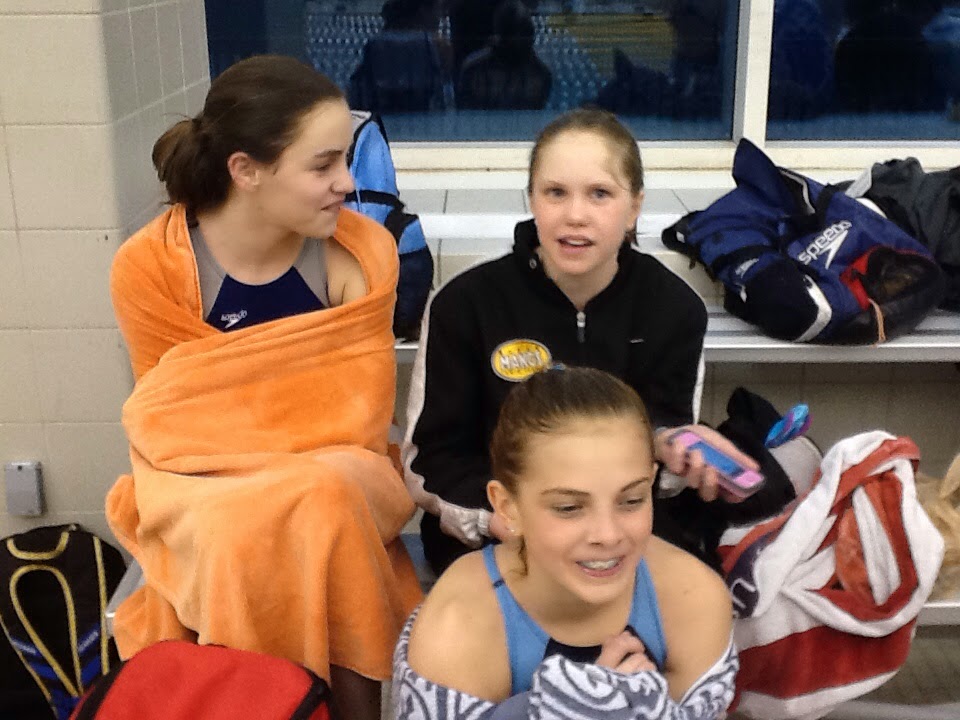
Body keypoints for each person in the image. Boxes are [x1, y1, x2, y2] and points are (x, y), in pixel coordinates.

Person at [106, 55, 422, 720]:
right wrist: (274, 469)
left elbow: (359, 421)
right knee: (247, 523)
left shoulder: (363, 255)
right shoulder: (151, 267)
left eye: (346, 160)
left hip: (346, 473)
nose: (347, 183)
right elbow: (170, 427)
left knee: (323, 497)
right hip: (196, 480)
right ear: (246, 170)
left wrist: (277, 464)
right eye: (323, 165)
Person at [403, 107, 758, 576]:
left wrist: (671, 446)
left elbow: (660, 471)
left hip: (617, 539)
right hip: (499, 538)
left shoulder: (674, 307)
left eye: (599, 194)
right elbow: (430, 464)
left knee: (693, 596)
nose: (575, 216)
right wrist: (507, 520)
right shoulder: (465, 303)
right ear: (532, 198)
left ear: (634, 206)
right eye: (555, 193)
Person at [393, 367, 738, 719]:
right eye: (569, 508)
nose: (608, 535)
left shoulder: (691, 598)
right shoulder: (458, 627)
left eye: (631, 500)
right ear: (507, 508)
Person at [456, 0, 552, 110]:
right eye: (512, 36)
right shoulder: (475, 70)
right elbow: (466, 111)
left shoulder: (540, 74)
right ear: (499, 36)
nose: (517, 43)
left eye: (523, 36)